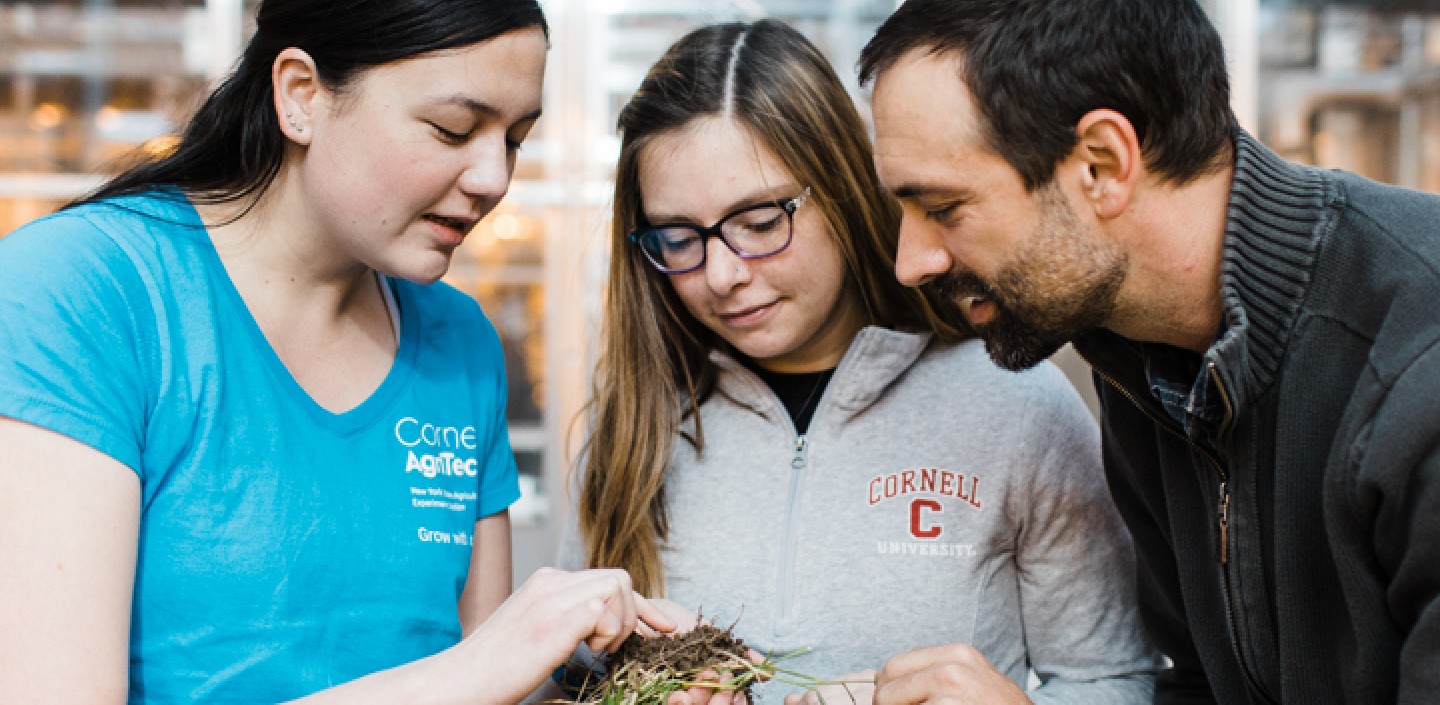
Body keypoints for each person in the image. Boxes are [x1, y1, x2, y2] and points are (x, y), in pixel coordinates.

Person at [0, 1, 731, 703]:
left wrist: (624, 678)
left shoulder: (460, 342)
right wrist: (471, 670)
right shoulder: (82, 292)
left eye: (512, 139)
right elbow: (467, 677)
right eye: (452, 129)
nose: (494, 180)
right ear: (301, 96)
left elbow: (483, 684)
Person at [565, 18, 1161, 705]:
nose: (722, 274)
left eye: (760, 222)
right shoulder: (634, 429)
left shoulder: (1018, 407)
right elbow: (572, 677)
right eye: (676, 237)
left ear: (845, 189)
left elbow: (1113, 680)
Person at [859, 0, 1440, 703]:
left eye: (943, 207)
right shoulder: (1141, 361)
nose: (910, 262)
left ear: (1103, 163)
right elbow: (1198, 686)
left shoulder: (1416, 358)